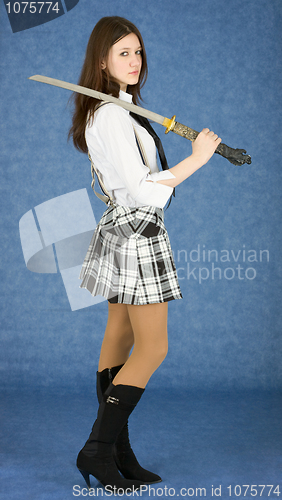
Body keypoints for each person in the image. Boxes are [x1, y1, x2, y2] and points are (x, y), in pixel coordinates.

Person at [68, 16, 221, 492]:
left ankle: (115, 451)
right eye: (122, 54)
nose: (134, 62)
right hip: (136, 232)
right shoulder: (111, 114)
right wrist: (197, 158)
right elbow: (142, 191)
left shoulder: (118, 108)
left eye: (137, 52)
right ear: (101, 61)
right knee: (153, 347)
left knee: (117, 336)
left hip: (121, 229)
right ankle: (97, 449)